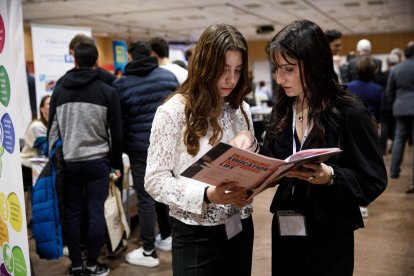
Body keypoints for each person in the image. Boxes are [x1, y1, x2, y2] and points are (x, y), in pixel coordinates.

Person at [262, 19, 387, 276]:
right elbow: (272, 157)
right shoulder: (283, 109)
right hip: (287, 225)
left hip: (329, 229)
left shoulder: (349, 111)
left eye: (288, 69)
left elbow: (373, 179)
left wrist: (331, 177)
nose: (279, 78)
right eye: (276, 69)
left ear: (315, 63)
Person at [144, 23, 256, 276]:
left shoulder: (242, 109)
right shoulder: (172, 112)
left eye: (238, 71)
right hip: (195, 232)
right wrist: (207, 194)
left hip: (239, 225)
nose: (231, 79)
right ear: (205, 66)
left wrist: (250, 142)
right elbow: (154, 180)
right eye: (224, 70)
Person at [48, 41, 123, 276]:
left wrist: (52, 160)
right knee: (95, 211)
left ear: (75, 60)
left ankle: (76, 266)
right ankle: (92, 264)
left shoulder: (59, 91)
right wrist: (116, 164)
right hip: (98, 162)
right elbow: (116, 133)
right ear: (96, 62)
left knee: (71, 213)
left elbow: (52, 131)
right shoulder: (107, 92)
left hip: (70, 162)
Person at [112, 40, 179, 267]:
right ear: (150, 55)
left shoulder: (121, 85)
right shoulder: (167, 78)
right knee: (167, 192)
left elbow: (119, 123)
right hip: (169, 145)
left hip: (139, 148)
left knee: (145, 198)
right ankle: (169, 238)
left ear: (130, 57)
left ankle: (149, 250)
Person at [386, 41, 414, 193]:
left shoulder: (396, 69)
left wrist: (393, 105)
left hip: (400, 106)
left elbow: (390, 91)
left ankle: (394, 171)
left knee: (399, 139)